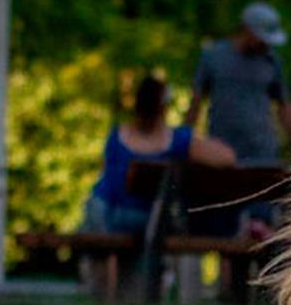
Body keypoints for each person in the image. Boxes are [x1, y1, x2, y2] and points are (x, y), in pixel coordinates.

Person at [83, 75, 236, 236]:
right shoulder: (176, 140)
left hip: (112, 215)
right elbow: (227, 158)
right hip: (142, 220)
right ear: (163, 108)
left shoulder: (118, 137)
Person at [186, 2, 291, 166]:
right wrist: (184, 142)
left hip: (264, 154)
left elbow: (285, 107)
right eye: (262, 38)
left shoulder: (271, 61)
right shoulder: (213, 56)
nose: (266, 44)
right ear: (247, 30)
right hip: (221, 152)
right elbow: (196, 102)